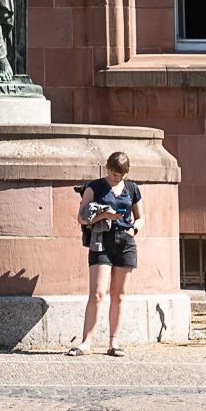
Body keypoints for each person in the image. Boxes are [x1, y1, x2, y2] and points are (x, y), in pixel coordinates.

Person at [71, 152, 141, 357]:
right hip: (101, 240)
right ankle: (86, 342)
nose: (114, 178)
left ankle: (113, 343)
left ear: (125, 173)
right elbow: (81, 218)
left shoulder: (132, 188)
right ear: (106, 168)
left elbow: (140, 218)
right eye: (111, 173)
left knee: (119, 295)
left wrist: (134, 229)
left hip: (125, 242)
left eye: (119, 175)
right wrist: (104, 215)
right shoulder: (94, 186)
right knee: (97, 293)